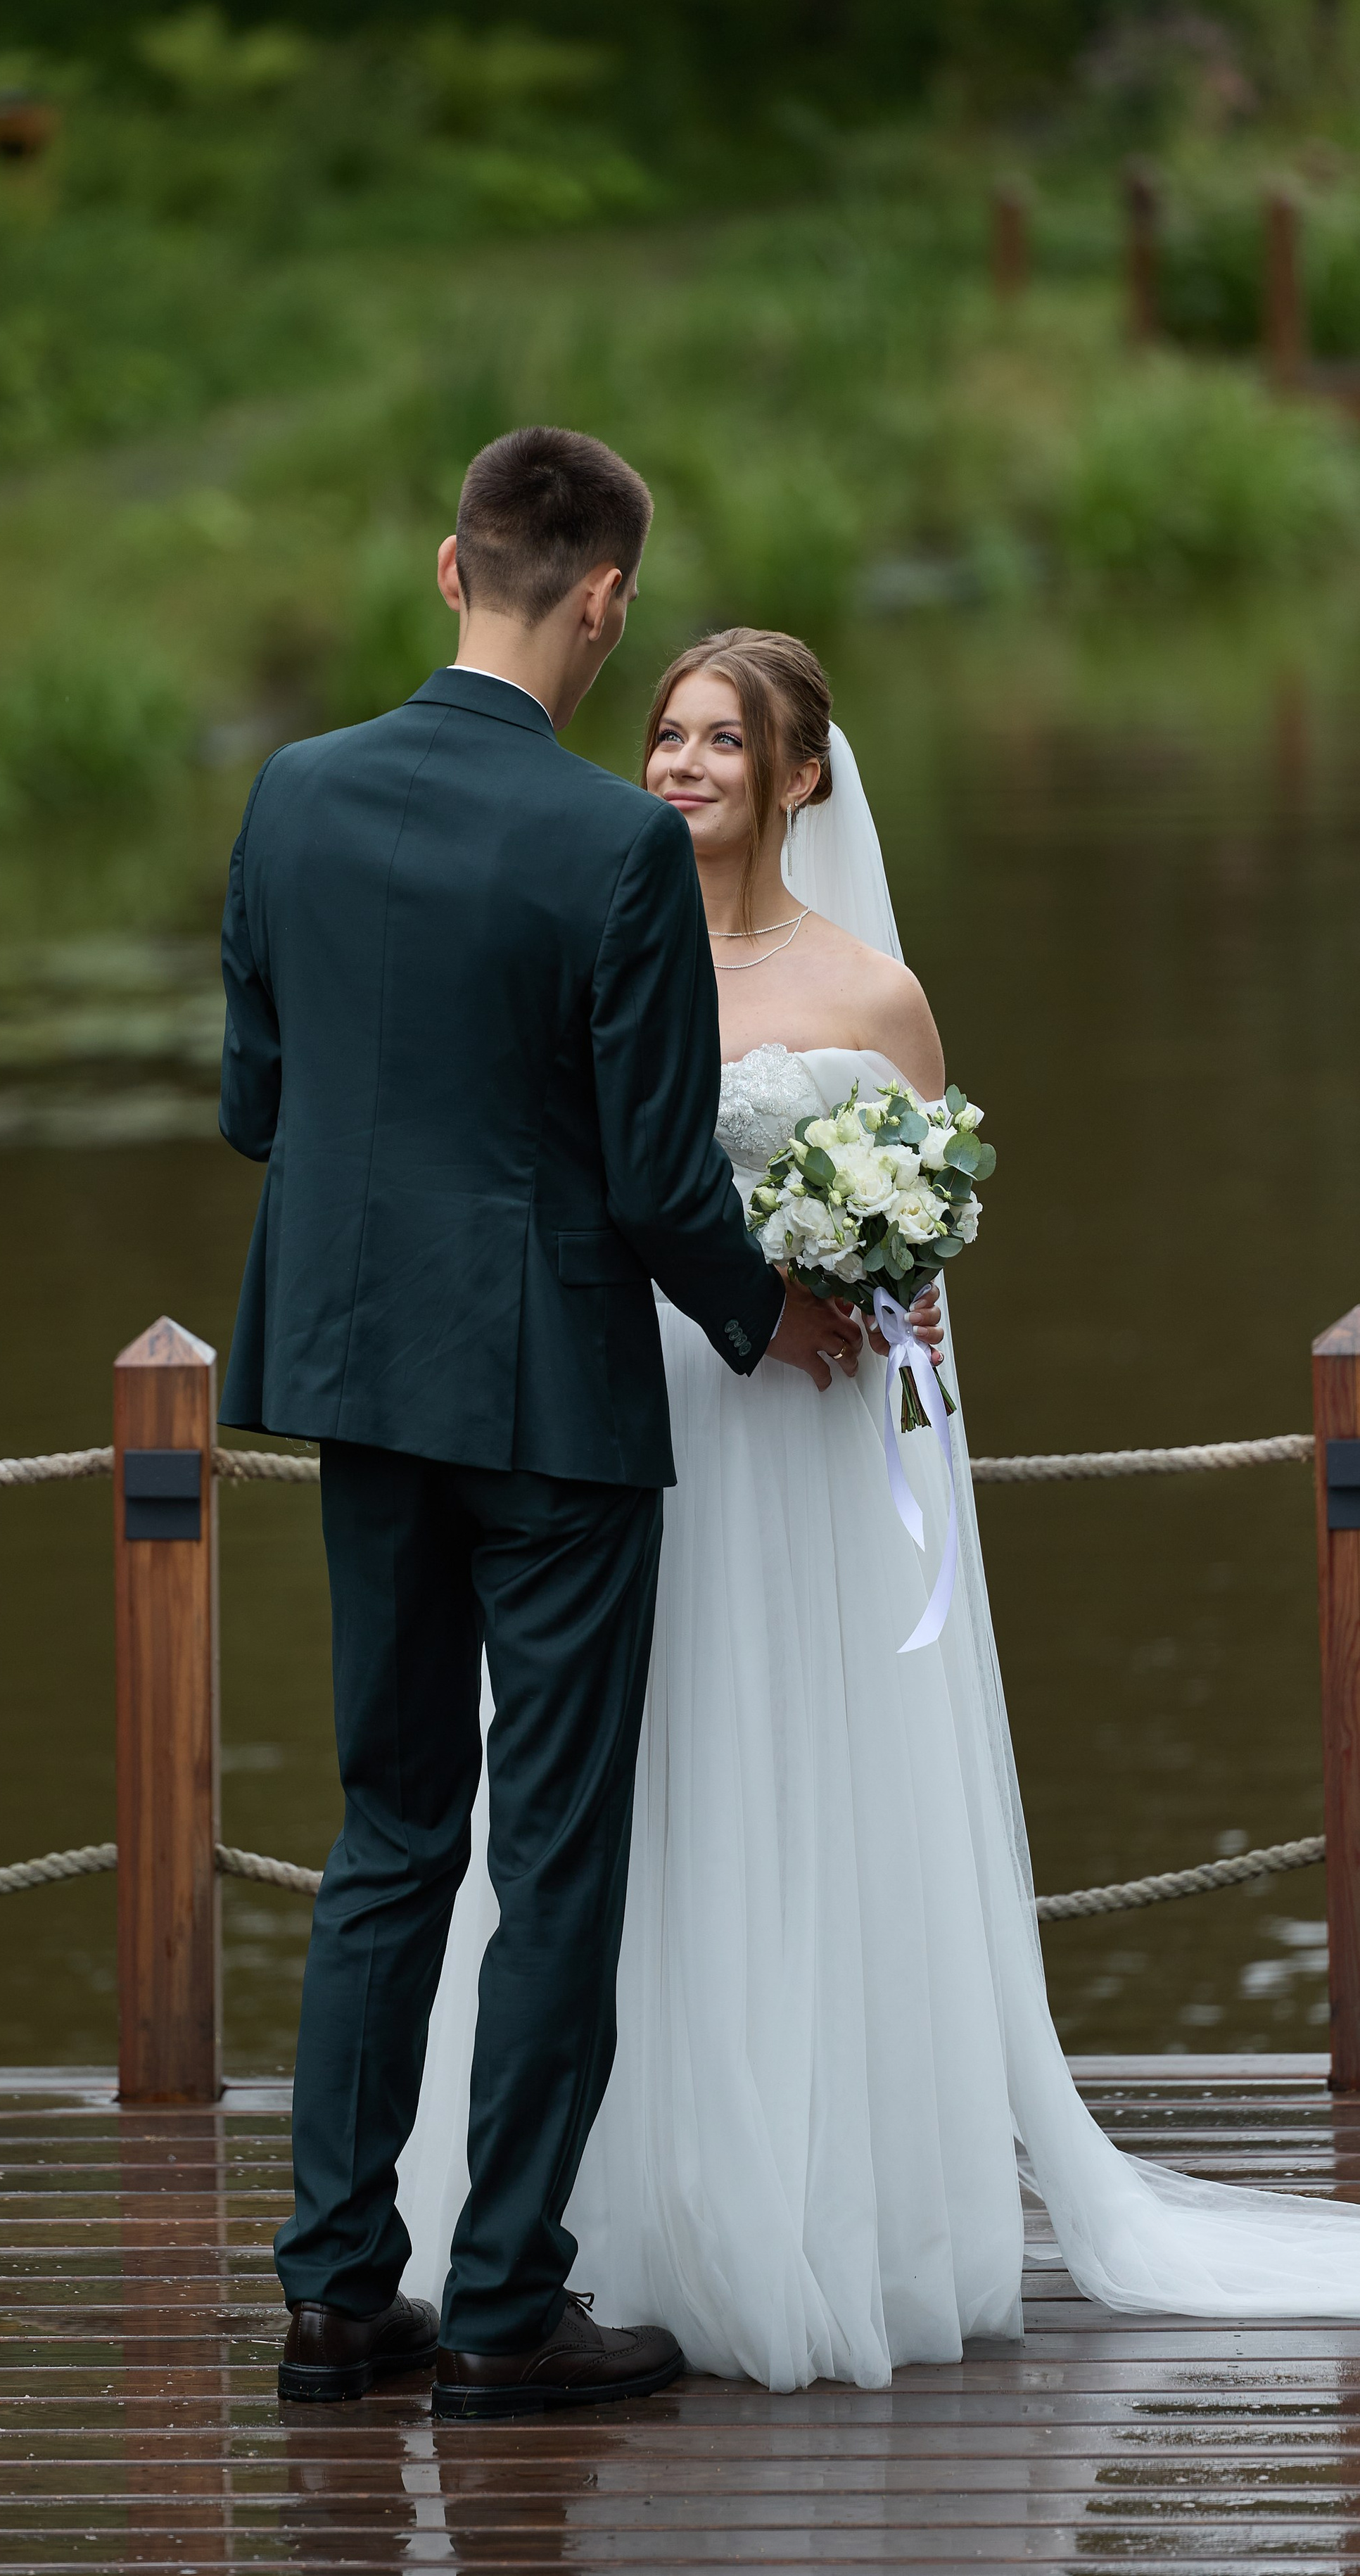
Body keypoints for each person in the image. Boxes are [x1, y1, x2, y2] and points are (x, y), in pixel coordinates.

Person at [398, 624, 1360, 2390]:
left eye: (715, 741)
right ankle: (574, 2223)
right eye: (663, 734)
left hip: (813, 1446)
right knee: (602, 1799)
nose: (675, 764)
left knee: (803, 1783)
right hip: (630, 1425)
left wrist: (880, 1290)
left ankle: (826, 2208)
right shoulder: (589, 954)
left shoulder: (870, 997)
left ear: (800, 775)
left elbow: (933, 1257)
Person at [217, 436, 867, 2420]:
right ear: (600, 601)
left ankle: (337, 2295)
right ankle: (504, 2303)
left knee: (391, 1828)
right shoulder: (609, 851)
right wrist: (778, 1316)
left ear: (449, 566)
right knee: (558, 1848)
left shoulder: (293, 794)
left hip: (348, 1374)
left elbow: (260, 1104)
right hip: (559, 1410)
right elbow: (667, 1181)